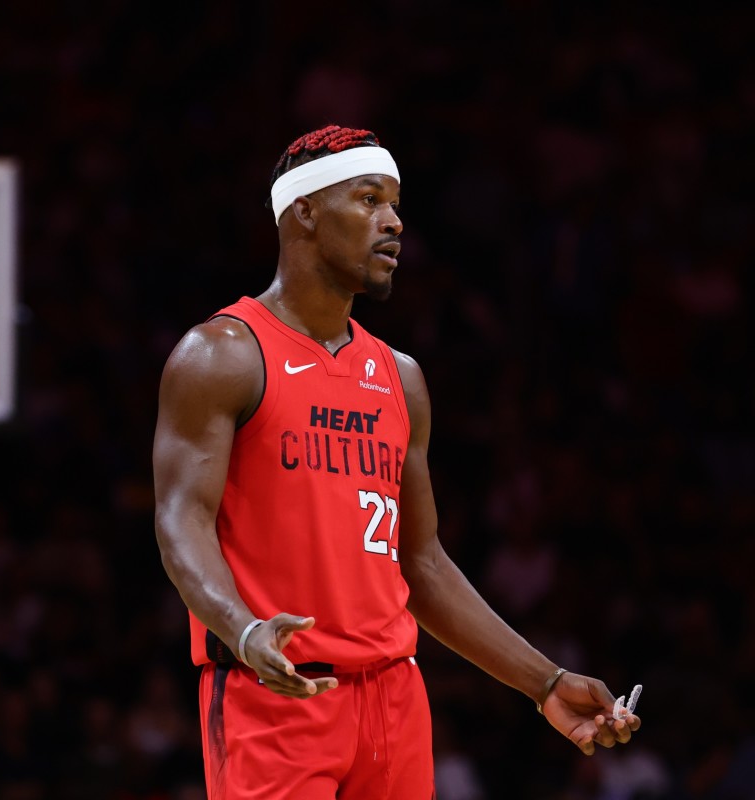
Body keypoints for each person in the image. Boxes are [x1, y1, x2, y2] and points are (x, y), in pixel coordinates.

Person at [151, 125, 641, 799]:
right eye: (370, 199)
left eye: (396, 203)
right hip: (278, 692)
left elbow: (423, 562)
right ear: (305, 212)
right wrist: (241, 630)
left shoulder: (399, 377)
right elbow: (181, 523)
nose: (395, 222)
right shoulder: (223, 356)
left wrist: (546, 682)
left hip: (395, 698)